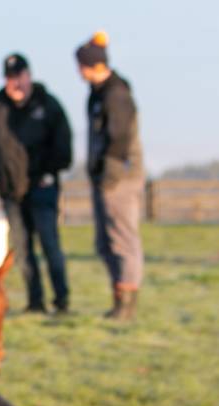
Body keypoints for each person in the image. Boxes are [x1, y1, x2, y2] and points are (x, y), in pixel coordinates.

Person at [0, 53, 73, 314]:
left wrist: (49, 171)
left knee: (49, 244)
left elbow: (64, 144)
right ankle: (35, 301)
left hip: (42, 188)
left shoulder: (48, 105)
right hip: (11, 191)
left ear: (28, 76)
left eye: (19, 77)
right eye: (10, 79)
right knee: (21, 249)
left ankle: (61, 299)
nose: (15, 84)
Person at [76, 31, 145, 321]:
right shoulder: (99, 92)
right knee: (105, 241)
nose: (79, 72)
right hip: (105, 176)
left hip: (118, 178)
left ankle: (126, 304)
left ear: (93, 65)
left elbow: (119, 138)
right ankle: (119, 297)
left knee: (122, 239)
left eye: (81, 66)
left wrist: (110, 176)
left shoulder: (116, 94)